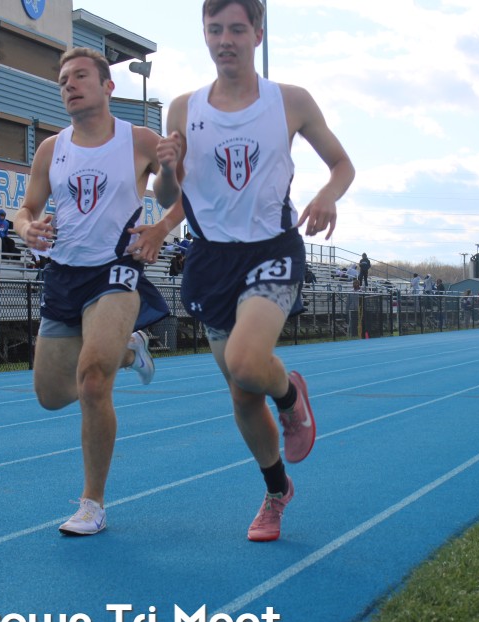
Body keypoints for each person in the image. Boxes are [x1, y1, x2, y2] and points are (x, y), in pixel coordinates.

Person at [153, 0, 354, 542]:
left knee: (246, 363)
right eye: (215, 29)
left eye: (237, 29)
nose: (225, 40)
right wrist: (167, 170)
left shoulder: (290, 101)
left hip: (272, 250)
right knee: (242, 393)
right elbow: (168, 195)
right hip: (211, 260)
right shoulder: (183, 108)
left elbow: (342, 164)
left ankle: (289, 396)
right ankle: (276, 491)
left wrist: (327, 196)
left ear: (257, 35)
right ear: (204, 34)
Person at [13, 46, 177, 537]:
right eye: (63, 79)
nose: (69, 84)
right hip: (63, 275)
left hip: (116, 270)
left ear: (108, 86)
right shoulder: (51, 149)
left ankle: (92, 504)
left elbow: (183, 194)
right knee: (50, 395)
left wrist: (160, 226)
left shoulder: (138, 139)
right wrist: (26, 228)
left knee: (91, 382)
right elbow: (27, 208)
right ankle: (131, 349)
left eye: (80, 76)